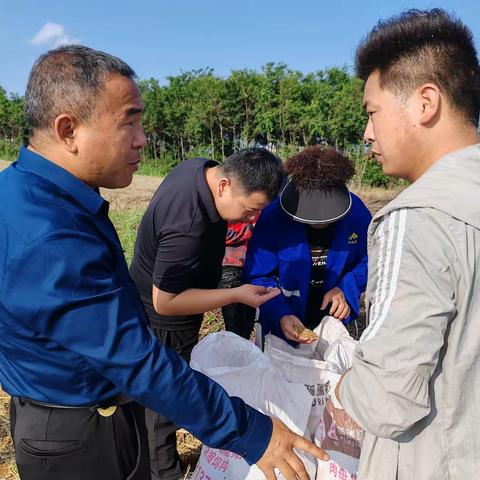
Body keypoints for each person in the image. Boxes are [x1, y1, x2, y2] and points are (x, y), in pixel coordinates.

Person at [0, 45, 328, 480]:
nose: (142, 139)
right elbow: (137, 363)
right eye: (128, 122)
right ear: (69, 130)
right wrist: (252, 432)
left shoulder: (27, 193)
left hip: (65, 410)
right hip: (81, 435)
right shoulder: (51, 235)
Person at [332, 9, 480, 479]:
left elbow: (387, 399)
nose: (367, 132)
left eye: (372, 111)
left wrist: (341, 395)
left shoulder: (417, 216)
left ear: (425, 102)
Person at [129, 147, 286, 479]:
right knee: (163, 403)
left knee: (166, 396)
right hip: (164, 322)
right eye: (249, 209)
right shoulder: (188, 224)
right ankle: (164, 472)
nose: (249, 220)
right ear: (225, 185)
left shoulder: (201, 170)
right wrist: (236, 294)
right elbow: (166, 301)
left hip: (178, 302)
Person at [244, 146, 371, 343]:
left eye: (328, 218)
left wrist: (344, 289)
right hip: (283, 320)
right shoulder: (274, 217)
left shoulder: (356, 214)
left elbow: (368, 261)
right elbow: (259, 275)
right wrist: (280, 313)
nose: (319, 223)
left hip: (331, 318)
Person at [218, 214, 260, 339]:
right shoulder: (226, 205)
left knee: (248, 324)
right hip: (230, 269)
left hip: (252, 268)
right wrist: (251, 230)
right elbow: (217, 234)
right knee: (235, 331)